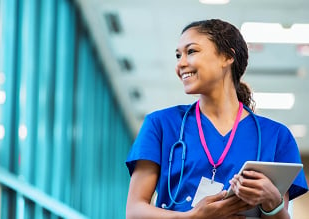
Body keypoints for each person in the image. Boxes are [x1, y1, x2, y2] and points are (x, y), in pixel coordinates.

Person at [125, 19, 308, 219]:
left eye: (191, 51)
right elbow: (134, 211)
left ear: (227, 57)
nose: (181, 63)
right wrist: (192, 217)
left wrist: (272, 201)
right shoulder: (160, 125)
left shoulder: (276, 136)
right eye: (178, 55)